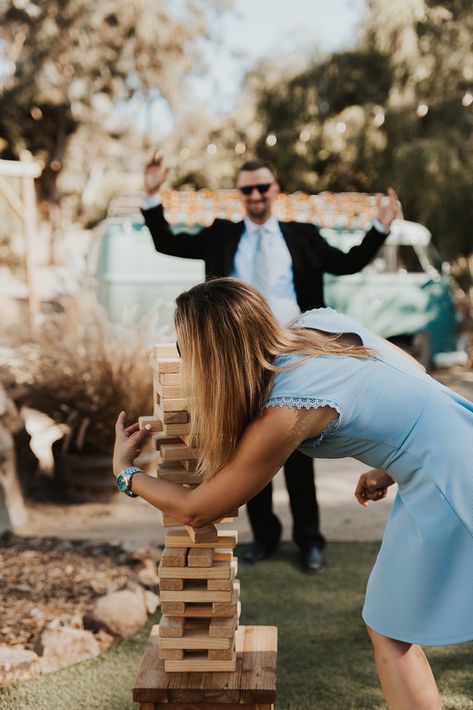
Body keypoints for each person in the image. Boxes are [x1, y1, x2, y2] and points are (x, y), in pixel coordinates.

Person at [114, 278, 473, 710]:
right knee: (390, 627)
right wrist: (390, 465)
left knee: (390, 633)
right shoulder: (318, 325)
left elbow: (198, 509)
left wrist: (126, 472)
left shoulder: (288, 409)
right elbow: (415, 378)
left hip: (450, 480)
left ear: (214, 357)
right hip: (461, 438)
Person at [141, 152, 401, 572]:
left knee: (299, 453)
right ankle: (264, 537)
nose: (256, 194)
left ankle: (310, 541)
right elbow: (167, 241)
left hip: (296, 355)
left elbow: (348, 261)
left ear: (275, 190)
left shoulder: (301, 235)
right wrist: (152, 195)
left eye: (263, 186)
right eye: (248, 189)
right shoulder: (221, 235)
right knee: (248, 448)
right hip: (241, 362)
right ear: (240, 194)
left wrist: (381, 225)